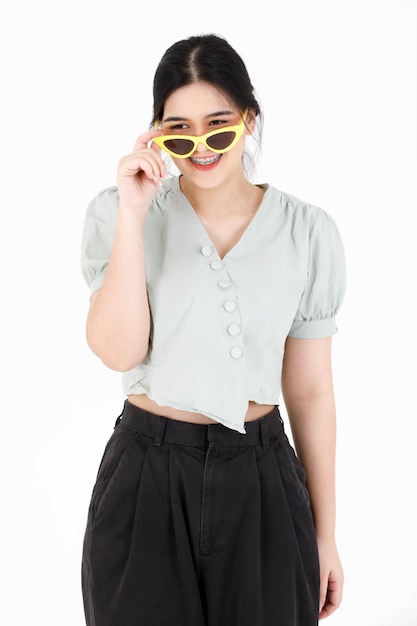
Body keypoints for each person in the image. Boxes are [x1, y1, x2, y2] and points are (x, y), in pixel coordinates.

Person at [80, 33, 346, 626]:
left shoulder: (307, 231)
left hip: (262, 477)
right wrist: (132, 213)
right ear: (156, 134)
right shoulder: (119, 213)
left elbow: (309, 392)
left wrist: (325, 534)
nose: (201, 146)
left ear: (249, 121)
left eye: (219, 125)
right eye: (179, 130)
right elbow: (117, 349)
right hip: (145, 475)